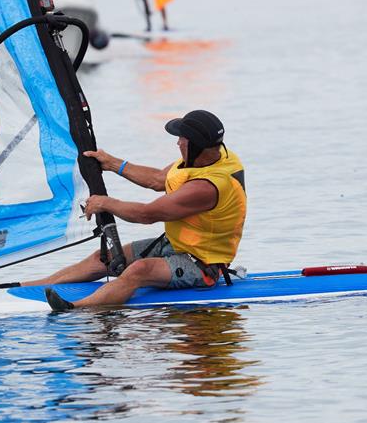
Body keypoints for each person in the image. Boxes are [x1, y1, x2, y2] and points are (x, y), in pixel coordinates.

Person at [30, 109, 246, 311]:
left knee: (138, 271)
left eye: (182, 140)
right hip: (176, 244)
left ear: (196, 146)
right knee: (104, 258)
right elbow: (157, 179)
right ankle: (31, 285)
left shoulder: (206, 187)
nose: (178, 143)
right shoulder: (209, 158)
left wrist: (105, 203)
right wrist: (113, 163)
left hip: (203, 265)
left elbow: (147, 214)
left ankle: (73, 308)